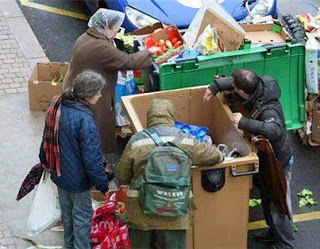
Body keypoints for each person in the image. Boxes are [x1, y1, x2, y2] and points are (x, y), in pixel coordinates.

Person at [203, 69, 294, 249]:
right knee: (266, 197)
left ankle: (285, 244)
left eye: (234, 88)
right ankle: (273, 232)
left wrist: (243, 122)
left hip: (278, 161)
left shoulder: (269, 109)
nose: (232, 87)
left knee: (279, 204)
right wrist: (215, 87)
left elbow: (275, 131)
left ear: (243, 92)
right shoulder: (257, 84)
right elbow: (235, 81)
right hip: (265, 158)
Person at [117, 99, 224, 249]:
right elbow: (214, 156)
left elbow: (122, 173)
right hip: (174, 210)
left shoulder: (136, 140)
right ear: (171, 116)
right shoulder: (185, 139)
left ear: (150, 117)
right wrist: (221, 154)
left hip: (141, 209)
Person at [63, 8, 158, 154]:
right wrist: (149, 52)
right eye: (116, 28)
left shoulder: (86, 37)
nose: (117, 32)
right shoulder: (101, 47)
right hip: (90, 96)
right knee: (96, 131)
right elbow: (127, 61)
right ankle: (97, 161)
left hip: (76, 87)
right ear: (106, 28)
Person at [39, 70, 111, 249]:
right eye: (98, 92)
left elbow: (46, 137)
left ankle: (68, 246)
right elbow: (92, 160)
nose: (100, 94)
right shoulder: (85, 120)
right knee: (81, 220)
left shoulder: (59, 105)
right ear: (88, 95)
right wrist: (103, 185)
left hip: (59, 174)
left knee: (67, 215)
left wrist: (45, 162)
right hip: (78, 181)